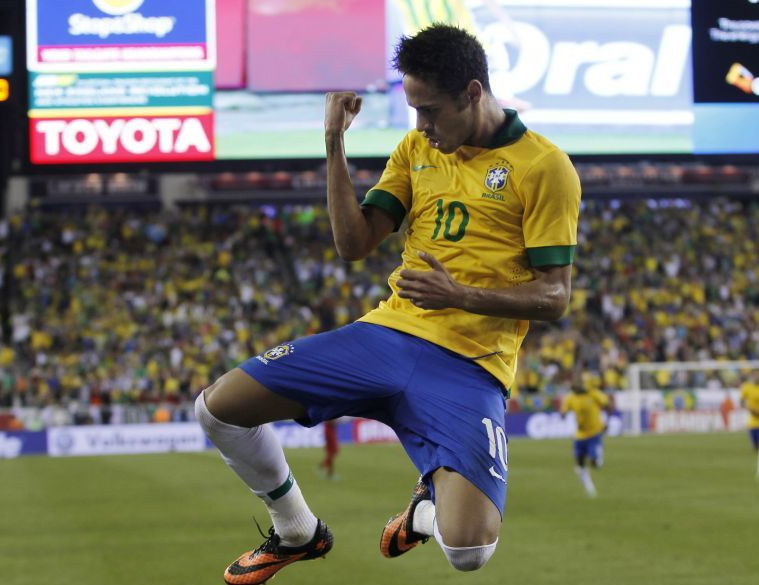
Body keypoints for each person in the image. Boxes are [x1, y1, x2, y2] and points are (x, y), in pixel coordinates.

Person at [195, 23, 580, 584]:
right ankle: (297, 530)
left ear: (473, 93)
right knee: (217, 409)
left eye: (430, 111)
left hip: (470, 366)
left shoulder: (545, 168)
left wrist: (462, 294)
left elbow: (555, 296)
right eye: (413, 110)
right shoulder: (417, 148)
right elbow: (353, 244)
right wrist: (334, 144)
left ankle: (426, 507)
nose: (421, 125)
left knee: (468, 552)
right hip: (387, 336)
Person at [560, 382, 613, 497]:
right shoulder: (571, 398)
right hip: (579, 435)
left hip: (594, 432)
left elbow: (607, 405)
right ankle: (589, 486)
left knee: (594, 463)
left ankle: (598, 455)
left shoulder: (593, 394)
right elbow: (563, 411)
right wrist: (563, 414)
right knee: (580, 463)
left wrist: (607, 421)